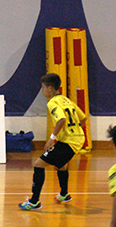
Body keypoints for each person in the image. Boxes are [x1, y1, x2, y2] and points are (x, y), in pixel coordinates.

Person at [19, 73, 86, 210]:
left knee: (38, 165)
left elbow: (61, 120)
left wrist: (52, 138)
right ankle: (64, 194)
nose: (42, 90)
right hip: (75, 139)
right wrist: (75, 132)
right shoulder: (66, 100)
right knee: (60, 164)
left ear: (50, 88)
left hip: (69, 142)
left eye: (43, 88)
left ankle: (34, 201)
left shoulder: (53, 102)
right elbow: (83, 118)